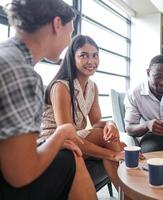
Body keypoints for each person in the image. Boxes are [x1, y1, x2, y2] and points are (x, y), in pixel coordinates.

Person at [0, 1, 96, 200]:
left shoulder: (7, 55)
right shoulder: (22, 73)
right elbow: (21, 174)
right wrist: (60, 134)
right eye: (70, 33)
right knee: (72, 157)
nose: (70, 42)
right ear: (57, 24)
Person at [40, 35, 125, 189]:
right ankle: (129, 195)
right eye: (84, 56)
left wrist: (111, 123)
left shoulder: (92, 86)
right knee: (105, 140)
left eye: (95, 55)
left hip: (74, 137)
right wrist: (112, 154)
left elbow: (97, 121)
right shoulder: (61, 87)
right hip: (54, 143)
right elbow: (65, 134)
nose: (91, 61)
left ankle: (127, 194)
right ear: (72, 58)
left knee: (118, 141)